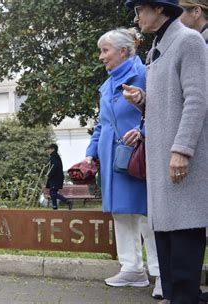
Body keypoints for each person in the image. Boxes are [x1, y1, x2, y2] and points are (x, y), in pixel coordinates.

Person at [123, 1, 208, 303]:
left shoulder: (189, 41)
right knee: (170, 268)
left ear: (160, 9)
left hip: (180, 162)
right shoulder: (156, 49)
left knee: (184, 260)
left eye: (140, 10)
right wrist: (142, 99)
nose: (136, 17)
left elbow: (197, 100)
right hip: (161, 162)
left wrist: (182, 150)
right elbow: (169, 101)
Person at [84, 28, 161, 298]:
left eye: (105, 51)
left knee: (145, 214)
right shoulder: (106, 85)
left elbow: (161, 111)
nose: (101, 57)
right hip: (111, 158)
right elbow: (101, 125)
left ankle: (161, 273)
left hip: (137, 157)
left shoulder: (145, 74)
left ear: (123, 51)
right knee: (121, 212)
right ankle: (131, 269)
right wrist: (91, 153)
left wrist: (144, 133)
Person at [45, 144, 72, 210]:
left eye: (49, 149)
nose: (48, 150)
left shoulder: (54, 156)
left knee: (53, 192)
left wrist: (49, 175)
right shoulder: (55, 156)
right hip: (56, 177)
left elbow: (54, 167)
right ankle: (54, 207)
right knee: (52, 192)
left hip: (55, 178)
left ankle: (67, 201)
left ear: (53, 149)